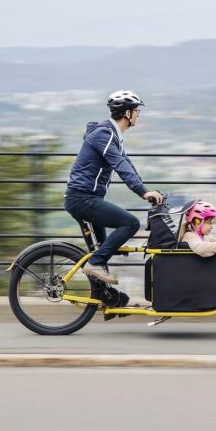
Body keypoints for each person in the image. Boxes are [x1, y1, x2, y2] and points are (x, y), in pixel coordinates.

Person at [64, 90, 163, 285]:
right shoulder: (104, 134)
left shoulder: (112, 135)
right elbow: (120, 164)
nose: (138, 115)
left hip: (86, 199)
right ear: (127, 113)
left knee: (100, 250)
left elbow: (127, 164)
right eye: (136, 110)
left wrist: (146, 189)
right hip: (82, 199)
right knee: (130, 224)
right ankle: (95, 264)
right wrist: (143, 192)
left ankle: (108, 297)